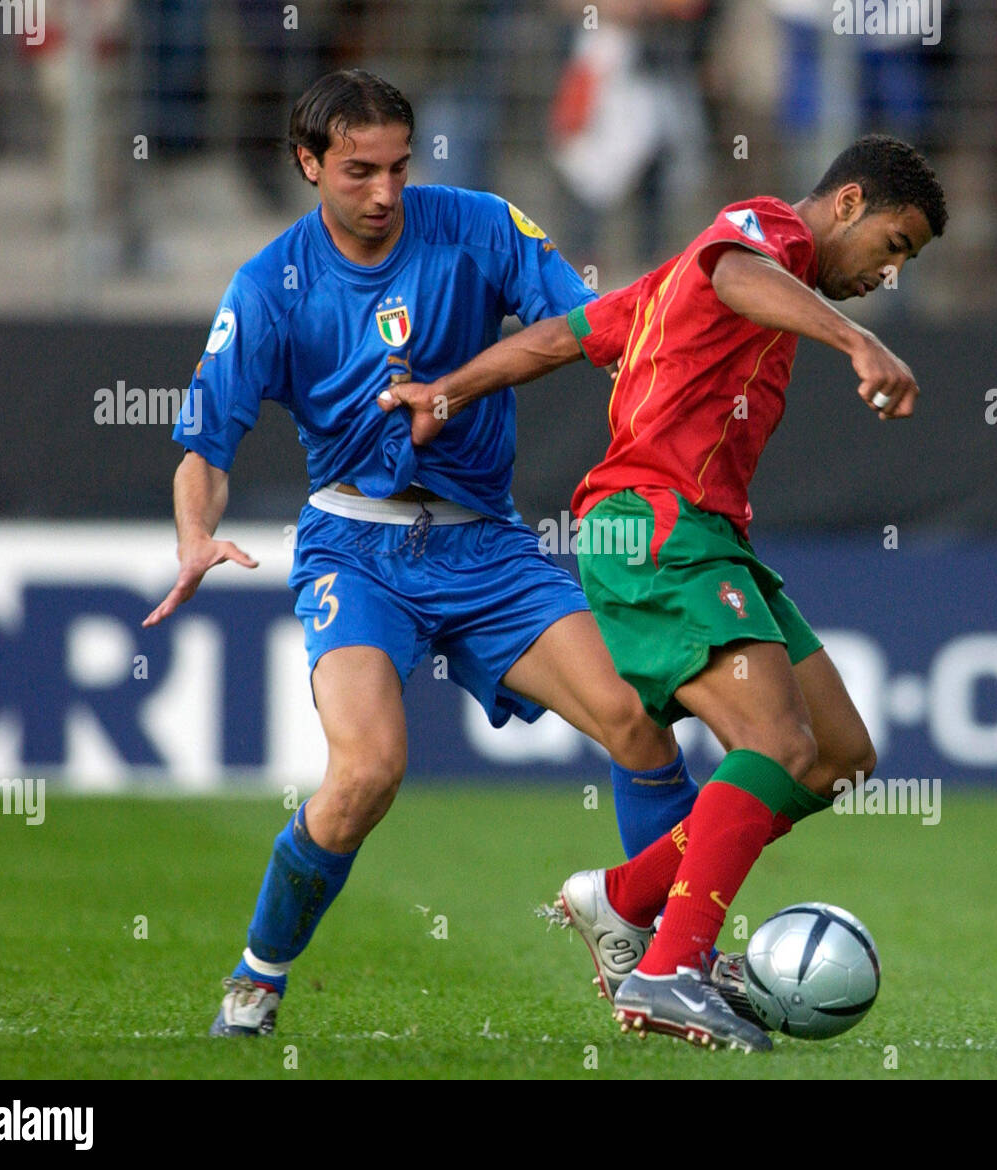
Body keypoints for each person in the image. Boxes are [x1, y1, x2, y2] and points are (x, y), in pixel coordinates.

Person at [142, 70, 701, 1037]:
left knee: (639, 722)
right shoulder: (268, 286)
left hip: (484, 544)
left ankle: (662, 948)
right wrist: (195, 535)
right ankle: (258, 973)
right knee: (365, 773)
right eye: (359, 171)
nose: (386, 192)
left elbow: (586, 324)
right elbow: (206, 447)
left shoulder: (481, 225)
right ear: (309, 163)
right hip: (354, 552)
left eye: (401, 167)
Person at [380, 134, 947, 1051]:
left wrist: (448, 390)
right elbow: (734, 269)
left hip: (706, 532)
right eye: (893, 246)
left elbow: (564, 336)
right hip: (653, 522)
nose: (887, 273)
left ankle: (627, 896)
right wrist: (856, 339)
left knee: (837, 752)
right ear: (847, 203)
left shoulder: (674, 285)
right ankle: (670, 968)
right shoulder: (758, 237)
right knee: (773, 740)